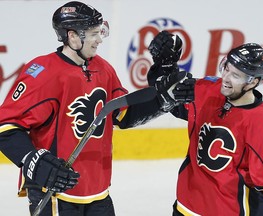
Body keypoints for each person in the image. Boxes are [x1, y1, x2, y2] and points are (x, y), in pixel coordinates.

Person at [0, 2, 186, 216]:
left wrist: (164, 101)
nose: (99, 39)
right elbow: (6, 126)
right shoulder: (43, 72)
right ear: (72, 36)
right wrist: (33, 159)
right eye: (93, 33)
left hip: (98, 192)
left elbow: (123, 116)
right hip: (55, 193)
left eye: (101, 31)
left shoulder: (103, 69)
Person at [147, 33, 263, 215]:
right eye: (226, 68)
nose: (226, 79)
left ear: (253, 82)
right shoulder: (208, 90)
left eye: (236, 76)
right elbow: (169, 100)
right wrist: (164, 67)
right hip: (184, 208)